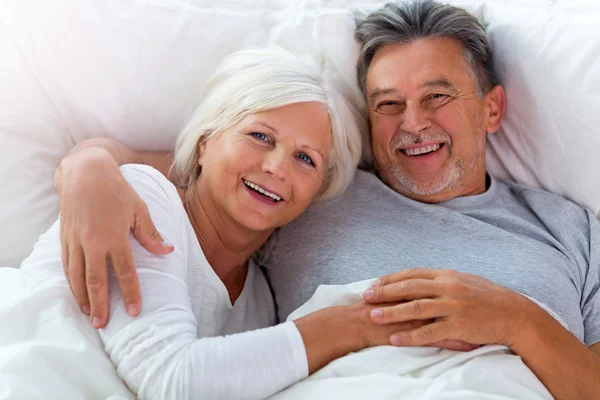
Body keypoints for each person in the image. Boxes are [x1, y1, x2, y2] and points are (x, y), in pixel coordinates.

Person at [53, 1, 600, 399]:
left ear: (492, 109)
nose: (413, 124)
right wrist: (87, 166)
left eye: (437, 96)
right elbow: (201, 165)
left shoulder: (571, 230)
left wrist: (517, 322)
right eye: (388, 104)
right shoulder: (308, 189)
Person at [11, 46, 432, 400]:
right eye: (260, 137)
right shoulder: (143, 199)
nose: (276, 167)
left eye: (305, 158)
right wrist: (353, 325)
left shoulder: (260, 304)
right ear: (205, 142)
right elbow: (171, 379)